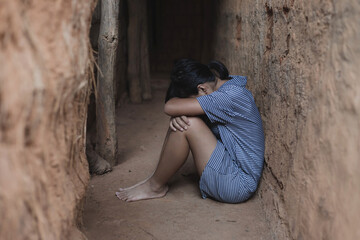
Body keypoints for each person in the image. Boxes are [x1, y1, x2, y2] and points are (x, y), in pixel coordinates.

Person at [116, 59, 265, 203]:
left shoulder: (228, 97)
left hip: (238, 184)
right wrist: (179, 114)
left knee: (188, 123)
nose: (192, 103)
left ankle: (154, 186)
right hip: (232, 167)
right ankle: (154, 180)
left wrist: (180, 113)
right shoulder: (225, 85)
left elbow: (169, 106)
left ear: (202, 88)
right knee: (183, 119)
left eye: (192, 100)